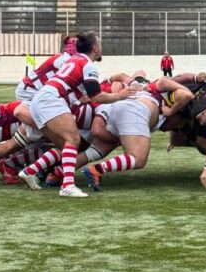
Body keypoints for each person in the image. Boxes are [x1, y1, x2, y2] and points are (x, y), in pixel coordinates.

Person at [16, 31, 138, 198]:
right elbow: (98, 96)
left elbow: (78, 88)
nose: (101, 48)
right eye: (100, 44)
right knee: (73, 140)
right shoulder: (89, 65)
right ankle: (67, 185)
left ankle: (30, 171)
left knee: (64, 146)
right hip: (52, 100)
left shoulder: (74, 59)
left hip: (42, 98)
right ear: (95, 48)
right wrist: (120, 96)